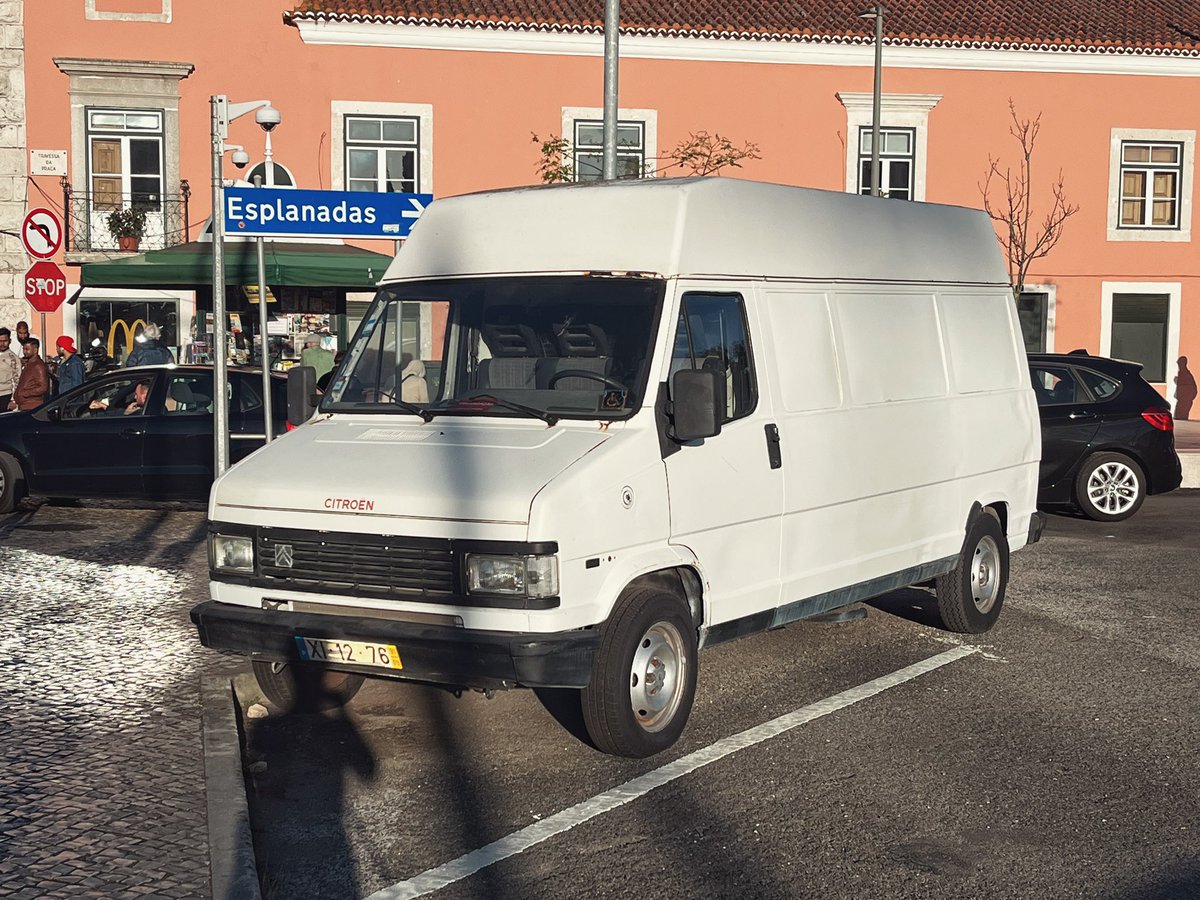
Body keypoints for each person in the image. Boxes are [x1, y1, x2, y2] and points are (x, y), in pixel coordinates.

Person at [8, 338, 49, 411]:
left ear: (35, 350)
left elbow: (43, 387)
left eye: (27, 349)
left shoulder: (38, 366)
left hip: (32, 406)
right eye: (23, 349)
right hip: (24, 405)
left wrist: (24, 393)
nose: (24, 352)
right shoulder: (29, 364)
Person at [0, 327, 20, 411]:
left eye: (5, 341)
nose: (2, 344)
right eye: (0, 341)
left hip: (5, 395)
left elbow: (17, 380)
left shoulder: (13, 359)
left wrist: (13, 400)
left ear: (10, 341)